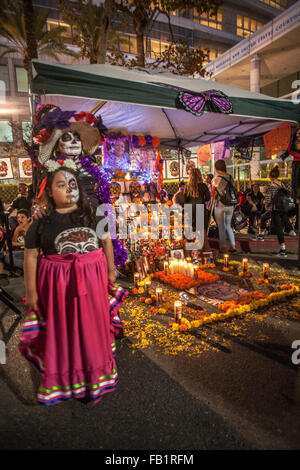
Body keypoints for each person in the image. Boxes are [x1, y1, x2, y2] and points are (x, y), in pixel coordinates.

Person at [19, 163, 127, 405]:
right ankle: (68, 379)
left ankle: (93, 378)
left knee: (92, 332)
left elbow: (107, 241)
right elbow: (31, 254)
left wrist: (110, 271)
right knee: (66, 333)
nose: (69, 189)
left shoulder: (95, 213)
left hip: (93, 288)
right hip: (59, 292)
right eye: (61, 184)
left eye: (72, 184)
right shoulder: (41, 221)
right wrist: (31, 291)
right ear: (49, 192)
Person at [254, 167, 290, 256]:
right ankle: (261, 235)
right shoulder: (282, 184)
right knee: (264, 218)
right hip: (282, 209)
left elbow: (268, 199)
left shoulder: (271, 186)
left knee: (278, 229)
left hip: (274, 209)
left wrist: (266, 206)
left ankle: (283, 250)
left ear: (270, 176)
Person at [209, 160, 237, 253]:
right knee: (228, 226)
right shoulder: (230, 177)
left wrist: (210, 205)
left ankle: (223, 247)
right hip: (230, 204)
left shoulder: (215, 179)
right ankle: (233, 246)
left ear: (217, 168)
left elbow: (212, 194)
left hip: (219, 205)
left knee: (221, 226)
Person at [184, 168, 210, 249]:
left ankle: (192, 250)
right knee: (202, 231)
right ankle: (205, 249)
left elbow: (185, 199)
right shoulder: (203, 186)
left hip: (190, 210)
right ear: (199, 175)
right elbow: (208, 198)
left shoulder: (187, 186)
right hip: (200, 210)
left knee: (190, 231)